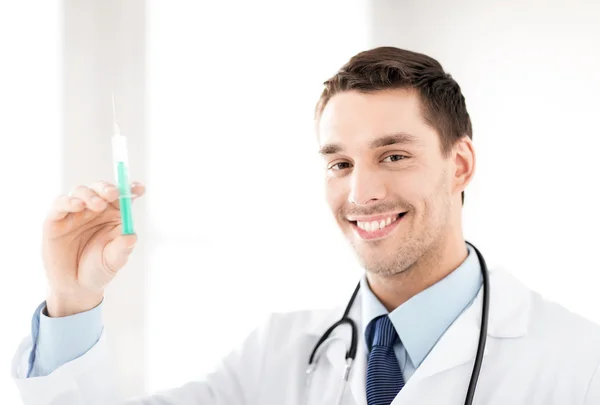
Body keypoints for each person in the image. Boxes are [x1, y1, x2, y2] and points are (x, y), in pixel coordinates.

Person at [11, 46, 600, 405]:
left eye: (393, 155)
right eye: (340, 162)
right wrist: (73, 297)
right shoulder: (278, 357)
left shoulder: (577, 364)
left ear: (460, 164)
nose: (361, 192)